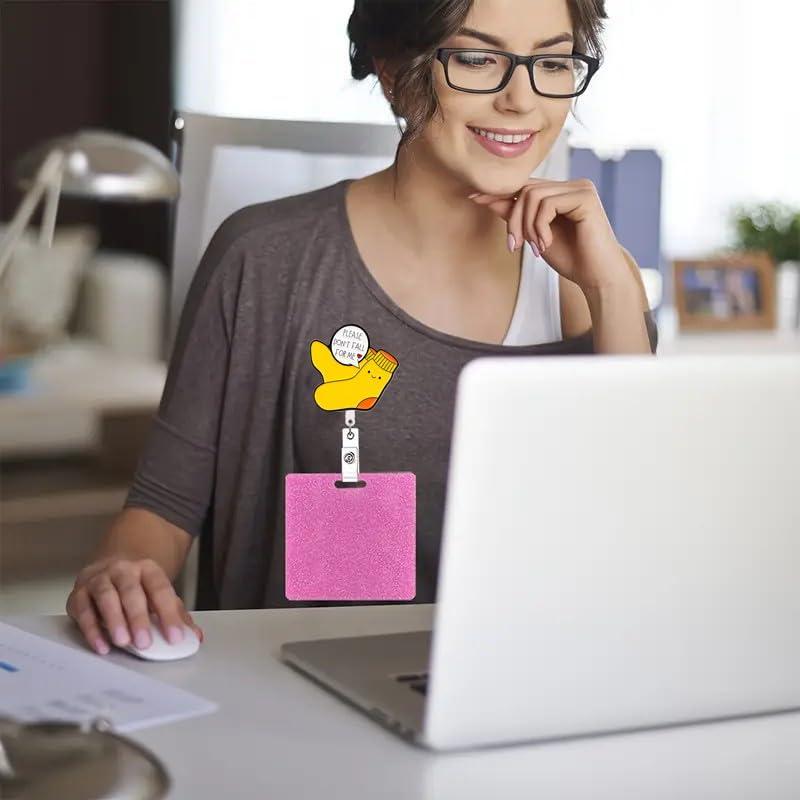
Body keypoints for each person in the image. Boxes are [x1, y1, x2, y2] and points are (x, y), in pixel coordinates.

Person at [67, 0, 658, 655]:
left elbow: (640, 539)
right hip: (322, 673)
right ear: (393, 72)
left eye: (552, 62)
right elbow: (162, 510)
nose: (522, 99)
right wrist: (122, 573)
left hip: (540, 668)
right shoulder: (267, 258)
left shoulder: (595, 280)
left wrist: (612, 290)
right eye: (476, 58)